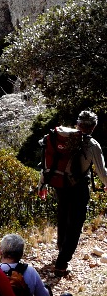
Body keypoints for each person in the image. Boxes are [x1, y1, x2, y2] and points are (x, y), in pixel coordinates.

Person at [40, 110, 107, 276]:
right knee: (76, 224)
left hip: (60, 184)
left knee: (63, 215)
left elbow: (47, 162)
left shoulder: (61, 138)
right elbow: (102, 171)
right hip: (78, 187)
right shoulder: (92, 145)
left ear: (77, 124)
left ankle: (61, 248)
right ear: (93, 127)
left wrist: (42, 184)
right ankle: (62, 263)